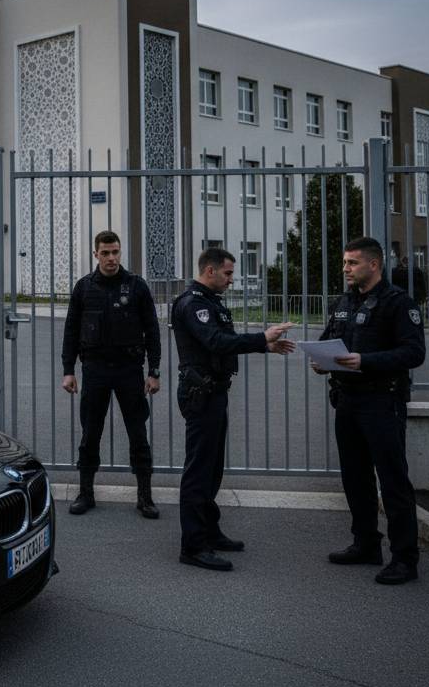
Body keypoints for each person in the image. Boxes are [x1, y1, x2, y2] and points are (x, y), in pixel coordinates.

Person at [171, 247, 294, 571]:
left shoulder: (211, 302)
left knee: (211, 469)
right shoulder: (193, 303)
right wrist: (260, 339)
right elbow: (215, 341)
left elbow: (226, 341)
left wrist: (264, 345)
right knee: (199, 470)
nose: (231, 279)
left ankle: (209, 531)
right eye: (227, 273)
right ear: (209, 271)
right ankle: (193, 546)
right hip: (201, 393)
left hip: (214, 392)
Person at [313, 236, 425, 585]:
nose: (345, 269)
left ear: (373, 264)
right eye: (345, 263)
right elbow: (326, 339)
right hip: (347, 400)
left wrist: (366, 362)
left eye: (352, 263)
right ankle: (366, 543)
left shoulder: (397, 303)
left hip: (382, 402)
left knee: (393, 481)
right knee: (355, 477)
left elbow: (413, 353)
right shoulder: (343, 302)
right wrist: (321, 360)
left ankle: (405, 558)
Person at [61, 230, 162, 519]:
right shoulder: (84, 288)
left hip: (130, 371)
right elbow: (70, 332)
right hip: (95, 371)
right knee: (90, 432)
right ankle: (86, 493)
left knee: (137, 433)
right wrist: (68, 371)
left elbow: (152, 331)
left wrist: (154, 371)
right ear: (96, 254)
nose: (111, 258)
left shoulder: (137, 286)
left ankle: (145, 496)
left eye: (115, 252)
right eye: (105, 253)